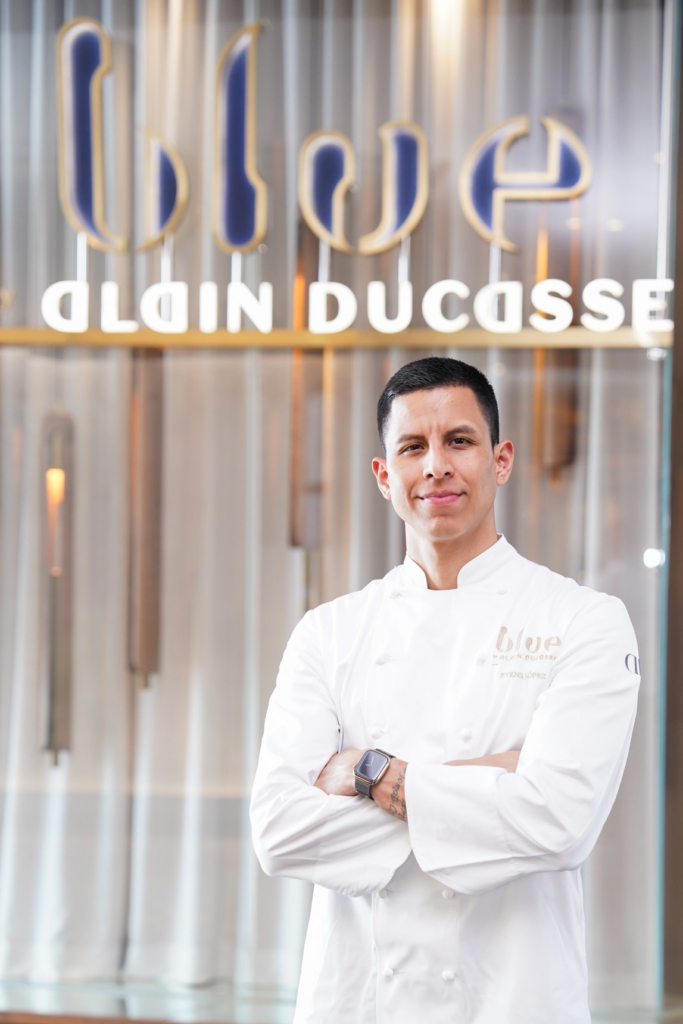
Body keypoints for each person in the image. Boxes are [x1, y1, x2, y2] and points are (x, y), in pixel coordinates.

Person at [249, 356, 640, 1024]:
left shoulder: (583, 620)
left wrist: (367, 771)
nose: (435, 466)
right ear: (384, 476)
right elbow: (279, 834)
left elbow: (557, 824)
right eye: (412, 447)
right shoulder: (328, 632)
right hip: (359, 1003)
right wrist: (496, 778)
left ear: (500, 460)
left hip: (513, 1002)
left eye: (458, 440)